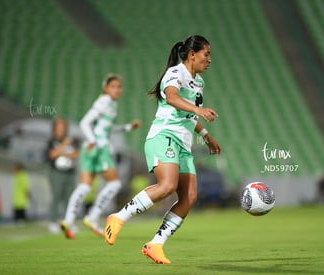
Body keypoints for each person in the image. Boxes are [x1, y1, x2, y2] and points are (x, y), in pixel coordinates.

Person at [104, 35, 221, 264]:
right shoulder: (175, 73)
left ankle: (155, 244)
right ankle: (118, 217)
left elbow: (188, 113)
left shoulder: (199, 83)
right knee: (167, 186)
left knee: (189, 196)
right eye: (206, 54)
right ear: (192, 54)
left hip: (183, 144)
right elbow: (172, 98)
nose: (209, 59)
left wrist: (206, 137)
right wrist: (200, 111)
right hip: (163, 136)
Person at [60, 74, 141, 239]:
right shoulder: (104, 102)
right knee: (115, 183)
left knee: (84, 186)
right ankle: (93, 216)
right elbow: (84, 122)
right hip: (99, 147)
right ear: (105, 88)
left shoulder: (110, 103)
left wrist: (127, 127)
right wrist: (92, 140)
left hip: (88, 148)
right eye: (113, 86)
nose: (117, 90)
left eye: (119, 86)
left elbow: (106, 128)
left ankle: (68, 221)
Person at [46, 118, 80, 234]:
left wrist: (61, 152)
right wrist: (64, 145)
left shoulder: (72, 140)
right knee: (56, 196)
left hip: (70, 172)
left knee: (69, 198)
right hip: (56, 172)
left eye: (62, 127)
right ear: (54, 128)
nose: (60, 129)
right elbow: (52, 154)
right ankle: (53, 221)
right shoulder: (52, 141)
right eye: (58, 127)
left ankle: (67, 222)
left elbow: (76, 154)